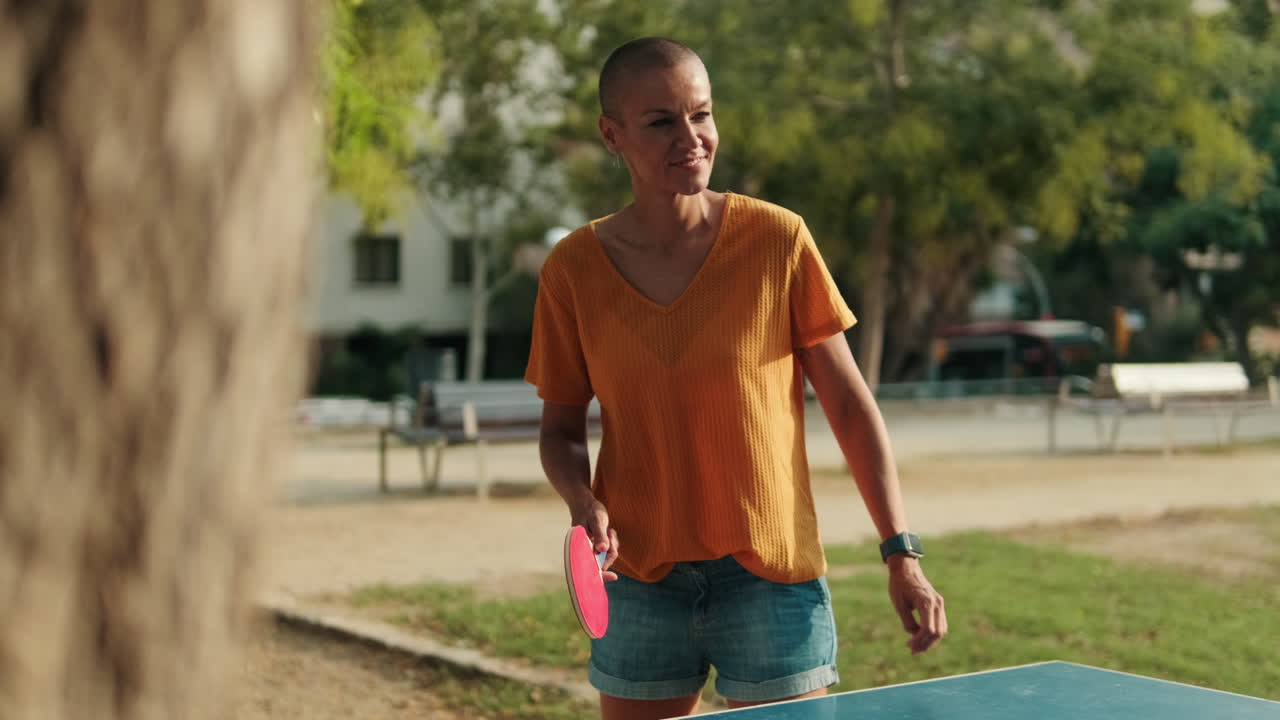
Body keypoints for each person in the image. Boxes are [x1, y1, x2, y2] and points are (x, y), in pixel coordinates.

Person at [525, 37, 947, 720]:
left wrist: (902, 553)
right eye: (662, 121)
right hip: (639, 583)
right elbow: (561, 431)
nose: (690, 138)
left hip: (772, 581)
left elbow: (848, 406)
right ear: (612, 134)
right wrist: (581, 502)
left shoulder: (778, 241)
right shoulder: (572, 270)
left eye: (701, 114)